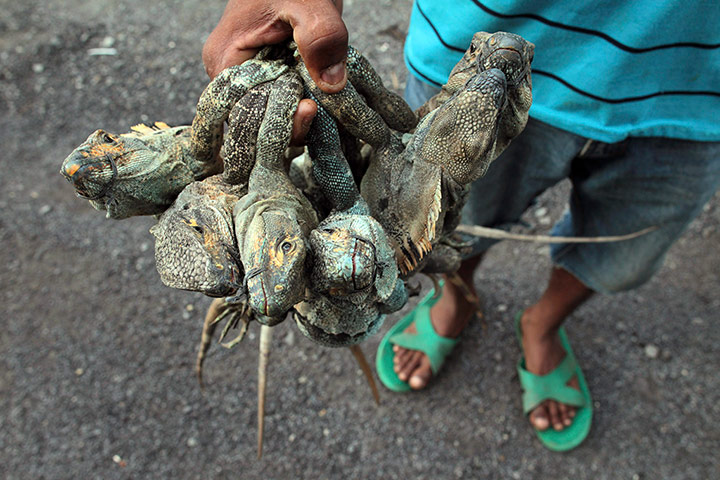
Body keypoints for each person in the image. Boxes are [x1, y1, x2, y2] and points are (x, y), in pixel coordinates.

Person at [203, 0, 720, 451]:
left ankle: (542, 324)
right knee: (448, 230)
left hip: (697, 97)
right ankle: (452, 300)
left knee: (625, 255)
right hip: (482, 27)